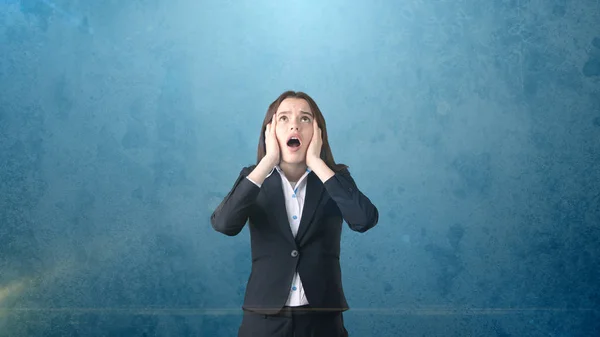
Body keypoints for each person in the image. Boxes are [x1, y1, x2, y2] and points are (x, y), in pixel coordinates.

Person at [210, 90, 379, 337]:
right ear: (270, 131)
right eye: (284, 119)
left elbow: (364, 220)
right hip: (264, 319)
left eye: (305, 119)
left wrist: (318, 163)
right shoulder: (254, 178)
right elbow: (224, 224)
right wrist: (266, 163)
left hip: (322, 319)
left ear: (318, 132)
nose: (295, 126)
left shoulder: (334, 179)